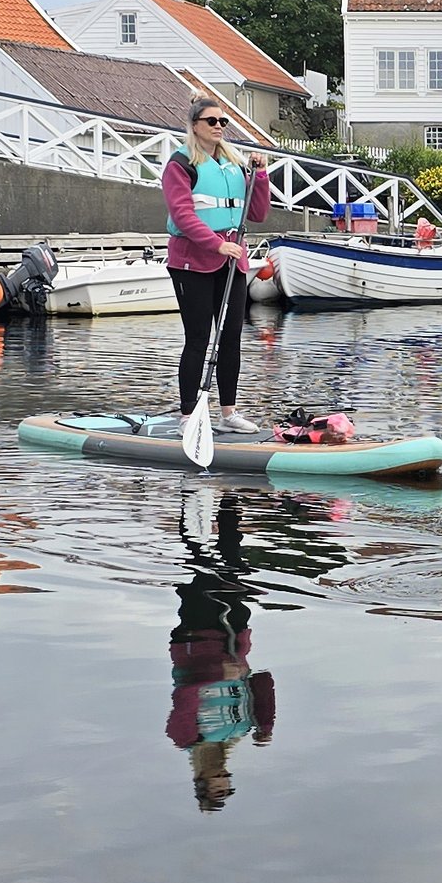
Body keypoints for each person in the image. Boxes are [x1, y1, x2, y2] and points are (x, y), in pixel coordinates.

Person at [162, 102, 271, 428]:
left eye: (223, 120)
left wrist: (260, 176)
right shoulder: (180, 165)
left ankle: (228, 414)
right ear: (195, 125)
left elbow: (258, 214)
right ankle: (187, 415)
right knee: (197, 339)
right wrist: (217, 243)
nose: (218, 125)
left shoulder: (234, 165)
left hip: (231, 264)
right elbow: (183, 215)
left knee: (231, 338)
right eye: (211, 120)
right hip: (192, 263)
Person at [165, 492, 275, 811]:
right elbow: (263, 683)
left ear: (201, 776)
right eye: (225, 775)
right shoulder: (239, 730)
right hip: (234, 636)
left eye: (217, 776)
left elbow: (186, 693)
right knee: (234, 565)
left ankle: (189, 502)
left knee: (201, 561)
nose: (222, 770)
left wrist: (217, 672)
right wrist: (265, 725)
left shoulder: (185, 737)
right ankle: (230, 500)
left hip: (197, 637)